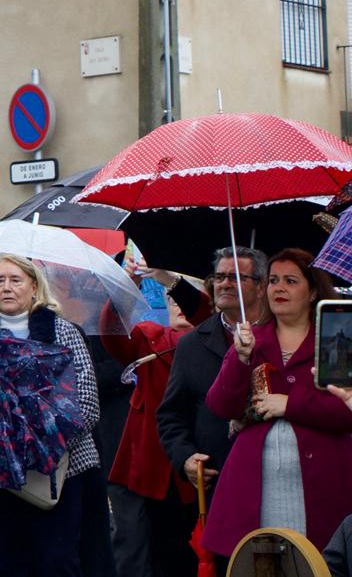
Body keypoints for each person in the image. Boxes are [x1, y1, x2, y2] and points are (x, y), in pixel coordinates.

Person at [201, 248, 352, 557]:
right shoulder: (252, 339)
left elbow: (344, 412)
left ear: (311, 292)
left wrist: (290, 404)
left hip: (325, 483)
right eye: (273, 280)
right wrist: (240, 359)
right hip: (257, 485)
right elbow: (220, 406)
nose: (279, 288)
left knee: (320, 561)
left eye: (291, 281)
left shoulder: (337, 338)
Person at [0, 255, 99, 577]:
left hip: (61, 470)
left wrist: (41, 441)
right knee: (5, 563)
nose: (7, 288)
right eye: (0, 281)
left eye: (16, 280)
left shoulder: (63, 332)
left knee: (57, 561)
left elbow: (87, 401)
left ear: (34, 286)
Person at [97, 267, 208, 577]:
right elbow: (112, 332)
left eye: (183, 299)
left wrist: (174, 281)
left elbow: (204, 316)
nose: (180, 307)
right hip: (155, 465)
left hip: (204, 457)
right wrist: (129, 284)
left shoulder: (217, 340)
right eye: (173, 301)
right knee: (151, 549)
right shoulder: (151, 337)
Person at [156, 246, 268, 504]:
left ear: (261, 287)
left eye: (236, 277)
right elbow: (171, 415)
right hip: (221, 484)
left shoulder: (281, 337)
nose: (225, 284)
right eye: (219, 277)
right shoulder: (192, 344)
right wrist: (185, 458)